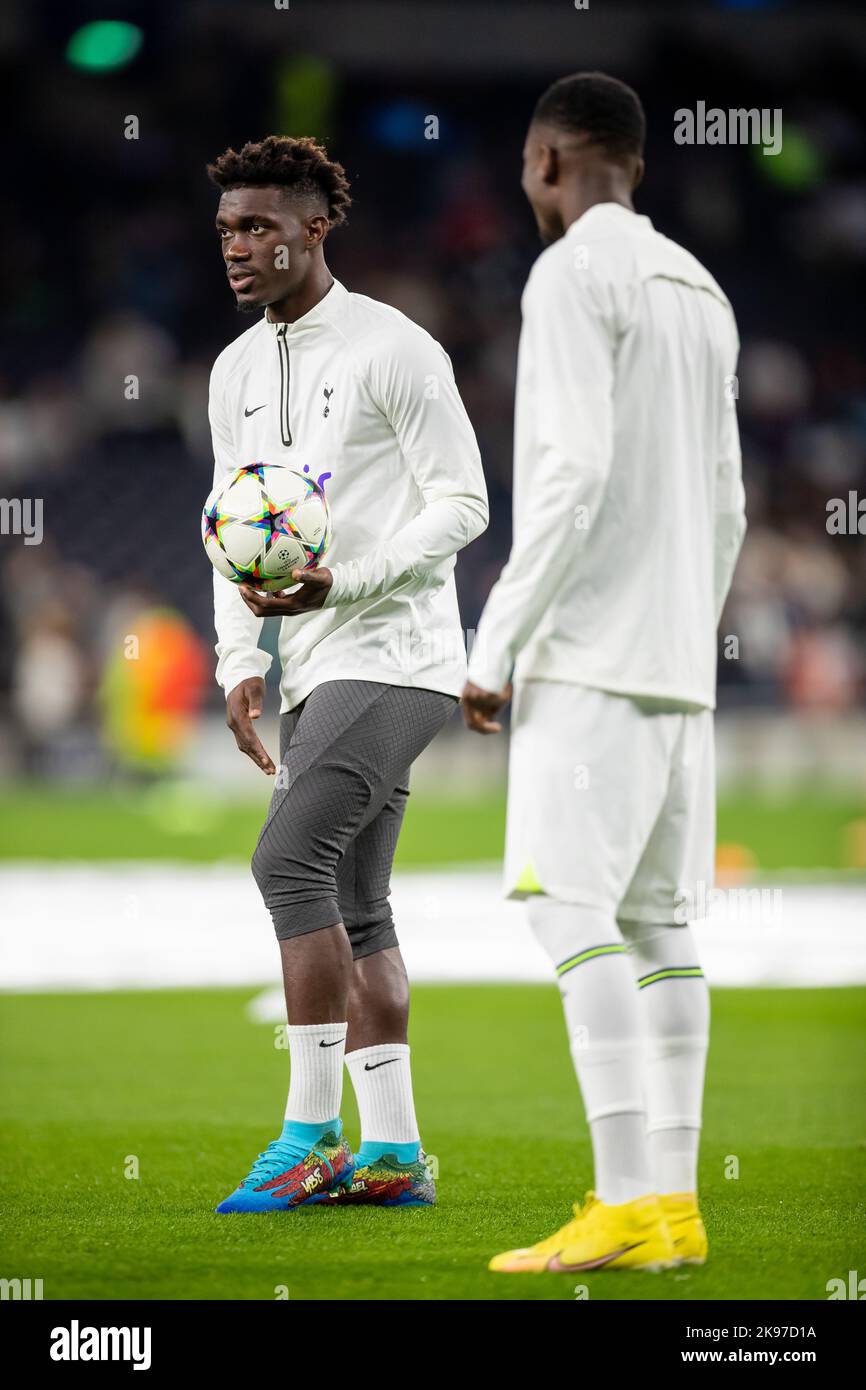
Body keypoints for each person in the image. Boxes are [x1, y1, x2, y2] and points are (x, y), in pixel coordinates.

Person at [462, 73, 746, 1272]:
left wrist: (495, 645)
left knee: (569, 913)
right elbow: (728, 502)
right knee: (661, 931)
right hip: (679, 664)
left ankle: (624, 1195)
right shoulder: (701, 288)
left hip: (589, 660)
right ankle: (673, 1208)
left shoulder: (571, 273)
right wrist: (688, 624)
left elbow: (569, 477)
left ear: (544, 162)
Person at [207, 136, 488, 1212]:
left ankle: (308, 1132)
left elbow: (462, 502)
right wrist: (242, 660)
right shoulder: (234, 371)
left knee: (285, 863)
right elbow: (231, 534)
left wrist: (350, 581)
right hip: (317, 666)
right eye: (229, 228)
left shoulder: (393, 348)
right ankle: (392, 1154)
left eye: (261, 226)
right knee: (355, 905)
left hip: (402, 655)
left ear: (318, 225)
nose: (238, 246)